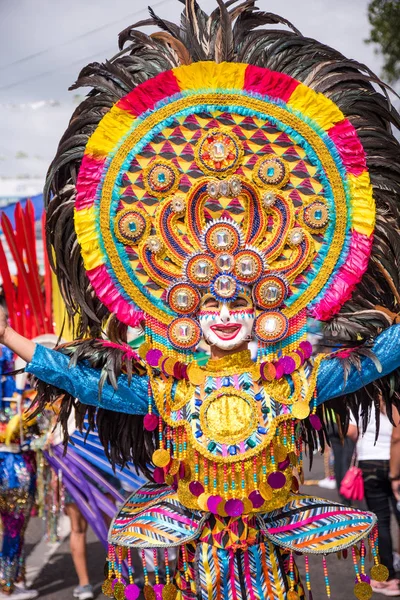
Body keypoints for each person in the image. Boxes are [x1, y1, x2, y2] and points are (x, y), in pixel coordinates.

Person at [2, 1, 400, 597]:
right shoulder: (170, 384)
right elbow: (86, 379)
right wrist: (8, 335)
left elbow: (378, 358)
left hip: (275, 557)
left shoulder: (291, 381)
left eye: (238, 302)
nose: (222, 314)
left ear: (265, 306)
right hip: (193, 561)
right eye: (208, 304)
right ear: (184, 311)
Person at [348, 405, 400, 596]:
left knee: (382, 522)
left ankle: (389, 579)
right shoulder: (394, 398)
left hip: (370, 461)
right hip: (396, 460)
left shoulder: (361, 399)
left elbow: (351, 431)